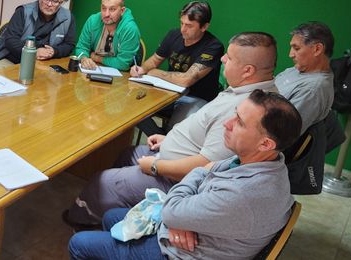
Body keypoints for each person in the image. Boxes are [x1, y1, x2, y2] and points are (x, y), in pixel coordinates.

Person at [64, 32, 278, 227]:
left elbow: (206, 166)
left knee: (103, 181)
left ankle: (82, 221)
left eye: (229, 58)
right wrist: (169, 139)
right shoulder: (250, 92)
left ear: (248, 70)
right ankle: (117, 211)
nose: (222, 59)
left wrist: (156, 166)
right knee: (127, 153)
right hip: (170, 153)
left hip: (175, 178)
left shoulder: (247, 110)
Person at [68, 90, 302, 260]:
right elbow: (202, 177)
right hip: (200, 235)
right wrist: (181, 218)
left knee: (79, 243)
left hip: (182, 253)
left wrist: (177, 216)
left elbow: (192, 184)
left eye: (239, 123)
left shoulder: (244, 195)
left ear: (265, 143)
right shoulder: (266, 163)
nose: (227, 124)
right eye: (234, 115)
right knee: (111, 217)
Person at [131, 1, 224, 132]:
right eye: (181, 23)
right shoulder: (174, 35)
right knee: (132, 109)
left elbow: (186, 80)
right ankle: (159, 139)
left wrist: (155, 72)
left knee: (177, 131)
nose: (183, 29)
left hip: (197, 98)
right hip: (169, 92)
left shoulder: (213, 46)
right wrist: (141, 69)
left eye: (189, 26)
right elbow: (154, 60)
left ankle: (164, 142)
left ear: (204, 27)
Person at [0, 0, 76, 73]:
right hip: (12, 59)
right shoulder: (23, 12)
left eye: (55, 1)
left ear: (61, 3)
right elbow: (10, 41)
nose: (49, 4)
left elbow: (69, 44)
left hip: (45, 63)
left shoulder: (68, 17)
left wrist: (54, 52)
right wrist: (33, 53)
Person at [276, 22, 334, 134]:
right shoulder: (299, 69)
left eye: (296, 48)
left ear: (317, 49)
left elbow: (281, 134)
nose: (291, 54)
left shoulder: (312, 90)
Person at [74, 0, 140, 71]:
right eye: (104, 8)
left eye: (112, 9)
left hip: (120, 76)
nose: (106, 14)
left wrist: (97, 58)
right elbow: (81, 47)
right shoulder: (92, 21)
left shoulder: (130, 29)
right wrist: (84, 58)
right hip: (92, 69)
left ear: (122, 11)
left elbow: (123, 64)